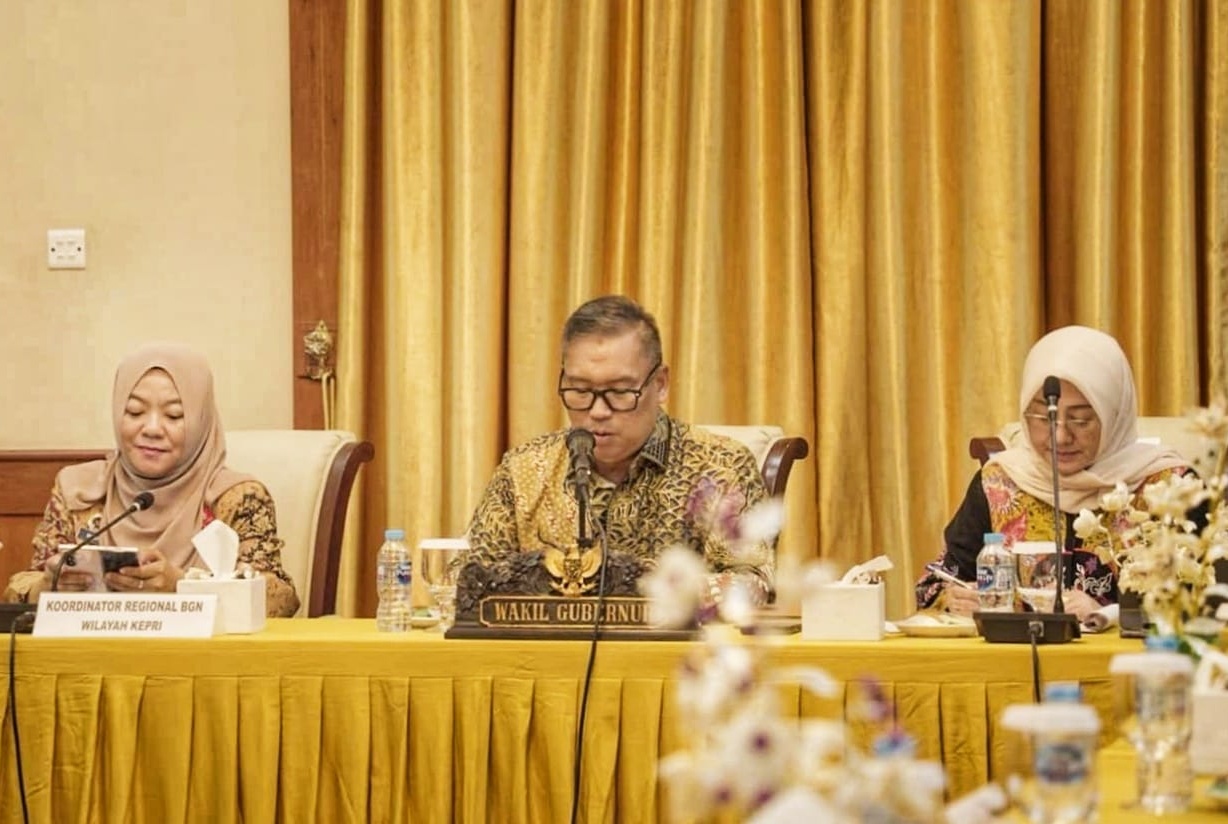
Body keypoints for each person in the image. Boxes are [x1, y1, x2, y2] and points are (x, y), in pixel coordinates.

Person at [465, 295, 774, 602]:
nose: (598, 411)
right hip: (547, 651)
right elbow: (465, 580)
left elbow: (751, 584)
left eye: (620, 391)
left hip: (672, 650)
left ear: (661, 383)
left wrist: (629, 583)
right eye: (581, 390)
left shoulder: (719, 466)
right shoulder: (523, 470)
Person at [916, 325, 1193, 621]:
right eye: (1042, 417)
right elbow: (935, 585)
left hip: (1127, 664)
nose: (1060, 436)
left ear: (1115, 415)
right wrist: (957, 598)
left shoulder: (1169, 488)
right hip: (1014, 664)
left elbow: (1207, 602)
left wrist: (1112, 613)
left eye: (1081, 420)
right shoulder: (1001, 482)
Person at [2, 342, 300, 616]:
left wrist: (182, 586)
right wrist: (48, 586)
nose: (152, 428)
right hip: (91, 661)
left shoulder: (236, 498)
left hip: (199, 667)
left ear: (201, 422)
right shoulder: (79, 491)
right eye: (134, 412)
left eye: (173, 416)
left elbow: (280, 601)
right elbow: (18, 589)